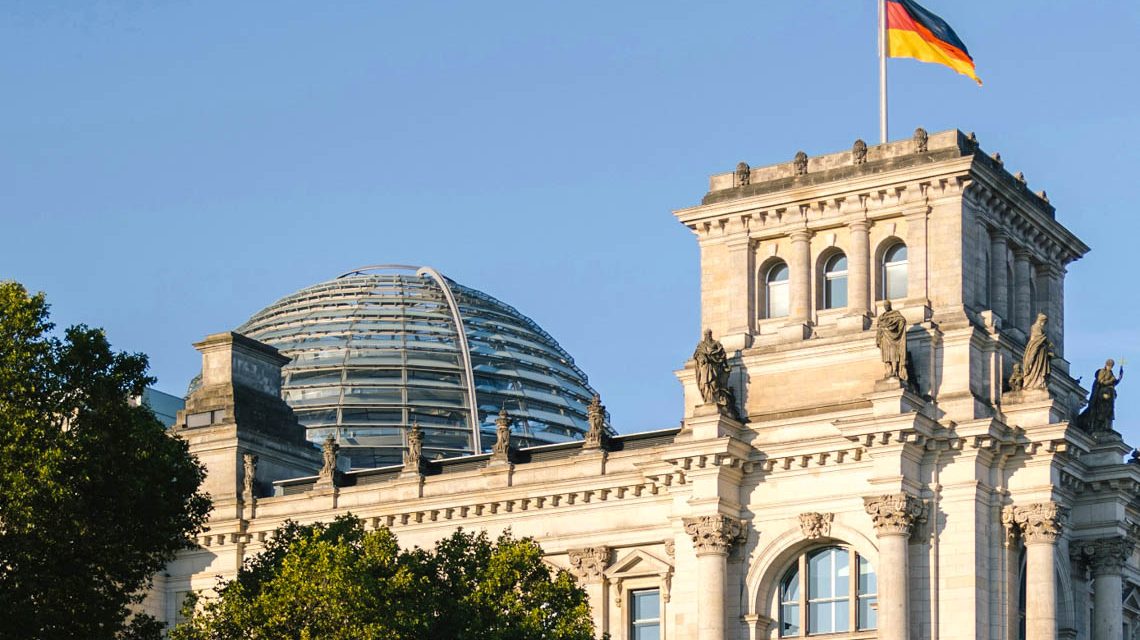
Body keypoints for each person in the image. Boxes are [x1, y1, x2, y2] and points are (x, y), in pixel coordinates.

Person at [1080, 359, 1124, 432]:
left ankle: (1106, 426)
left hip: (1109, 394)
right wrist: (1111, 380)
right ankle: (1098, 425)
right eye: (1109, 365)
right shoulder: (1102, 371)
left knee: (1109, 410)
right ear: (1106, 365)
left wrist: (1120, 377)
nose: (1110, 367)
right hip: (1102, 394)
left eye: (1111, 366)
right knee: (1102, 409)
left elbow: (1114, 383)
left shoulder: (1111, 373)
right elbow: (1101, 382)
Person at [875, 301, 908, 381]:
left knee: (894, 356)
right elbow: (879, 328)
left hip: (893, 339)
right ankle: (889, 372)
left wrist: (898, 330)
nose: (886, 307)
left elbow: (902, 320)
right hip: (884, 339)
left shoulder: (895, 314)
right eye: (885, 305)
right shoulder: (882, 317)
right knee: (886, 357)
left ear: (890, 305)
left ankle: (894, 371)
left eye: (887, 305)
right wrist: (878, 338)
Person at [1021, 314, 1054, 390]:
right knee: (1034, 364)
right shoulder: (1035, 327)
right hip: (1036, 348)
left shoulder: (1039, 328)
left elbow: (1041, 339)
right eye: (1044, 322)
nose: (1044, 324)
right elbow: (1038, 338)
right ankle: (1033, 382)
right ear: (1042, 321)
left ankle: (1039, 382)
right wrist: (1047, 342)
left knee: (1039, 366)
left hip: (1041, 350)